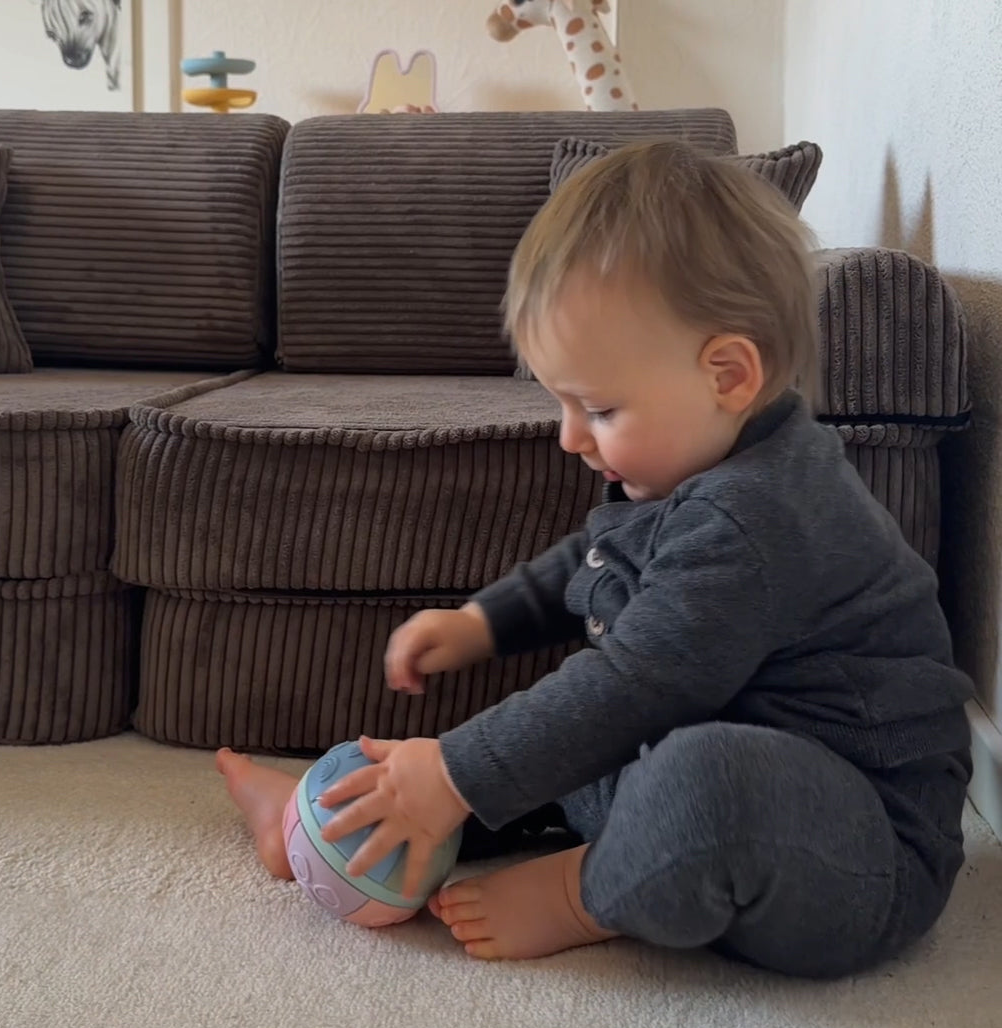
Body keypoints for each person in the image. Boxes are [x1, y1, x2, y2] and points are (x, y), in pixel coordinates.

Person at [217, 140, 973, 978]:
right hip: (703, 740)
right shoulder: (698, 468)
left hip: (852, 847)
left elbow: (640, 684)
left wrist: (463, 771)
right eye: (561, 403)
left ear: (728, 374)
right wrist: (481, 623)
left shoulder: (762, 513)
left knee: (677, 768)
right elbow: (593, 559)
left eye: (598, 408)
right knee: (524, 743)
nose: (572, 438)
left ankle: (584, 892)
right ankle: (325, 823)